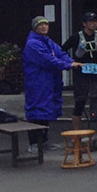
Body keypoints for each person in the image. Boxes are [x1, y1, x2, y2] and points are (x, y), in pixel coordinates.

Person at [23, 16, 82, 153]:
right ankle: (34, 143)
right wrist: (69, 65)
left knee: (46, 111)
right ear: (34, 27)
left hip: (48, 83)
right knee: (36, 112)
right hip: (37, 83)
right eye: (40, 25)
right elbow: (48, 60)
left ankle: (43, 141)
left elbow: (60, 53)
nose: (44, 27)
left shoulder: (48, 42)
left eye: (46, 24)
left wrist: (71, 61)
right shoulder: (33, 43)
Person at [61, 11, 97, 130]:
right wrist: (71, 62)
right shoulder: (76, 37)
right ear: (84, 24)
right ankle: (76, 131)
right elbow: (62, 49)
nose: (94, 24)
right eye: (91, 22)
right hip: (81, 73)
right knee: (80, 101)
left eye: (95, 21)